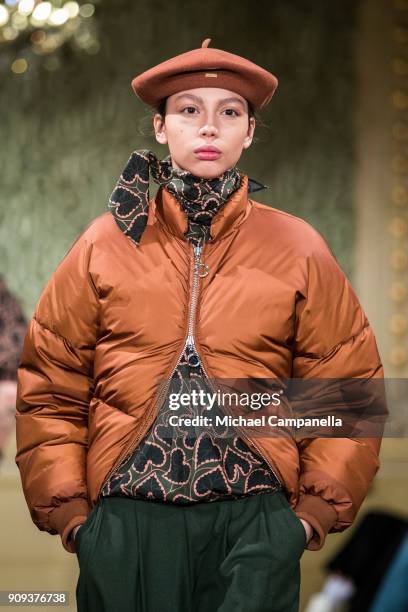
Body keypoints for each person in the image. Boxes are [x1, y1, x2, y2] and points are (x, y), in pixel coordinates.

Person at [15, 38, 385, 612]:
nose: (209, 127)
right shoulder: (103, 245)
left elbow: (348, 391)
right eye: (189, 109)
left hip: (256, 522)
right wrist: (76, 520)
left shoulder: (297, 247)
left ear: (250, 132)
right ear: (160, 127)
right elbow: (51, 387)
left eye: (229, 112)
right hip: (126, 523)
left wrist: (306, 521)